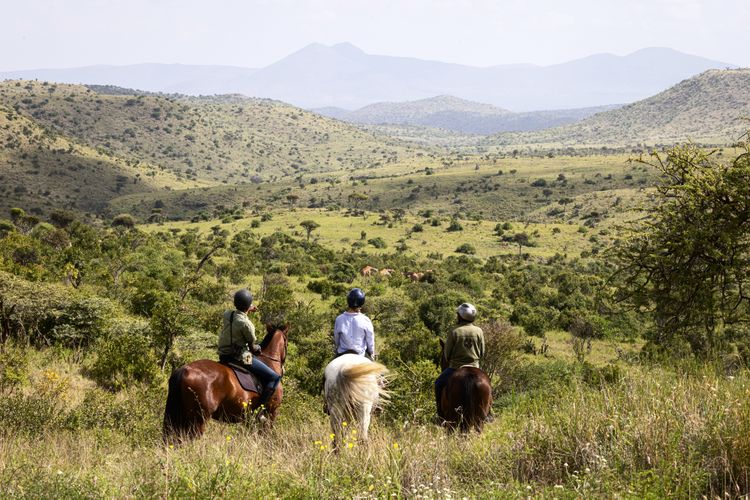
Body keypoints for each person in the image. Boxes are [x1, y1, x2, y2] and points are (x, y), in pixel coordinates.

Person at [218, 289, 281, 415]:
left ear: (235, 303)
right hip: (241, 357)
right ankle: (260, 410)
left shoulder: (227, 314)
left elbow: (238, 316)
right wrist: (258, 348)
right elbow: (252, 348)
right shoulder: (247, 324)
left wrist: (246, 310)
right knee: (274, 377)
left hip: (224, 354)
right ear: (248, 305)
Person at [434, 303, 485, 418]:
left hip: (455, 368)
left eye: (458, 314)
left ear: (461, 316)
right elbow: (482, 352)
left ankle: (440, 414)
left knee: (438, 383)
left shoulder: (454, 331)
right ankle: (489, 412)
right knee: (487, 384)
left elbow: (446, 354)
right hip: (475, 366)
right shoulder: (479, 331)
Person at [333, 288, 375, 359]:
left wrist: (337, 348)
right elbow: (370, 339)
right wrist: (371, 352)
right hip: (360, 354)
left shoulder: (339, 319)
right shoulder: (366, 320)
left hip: (342, 353)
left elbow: (337, 339)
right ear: (362, 302)